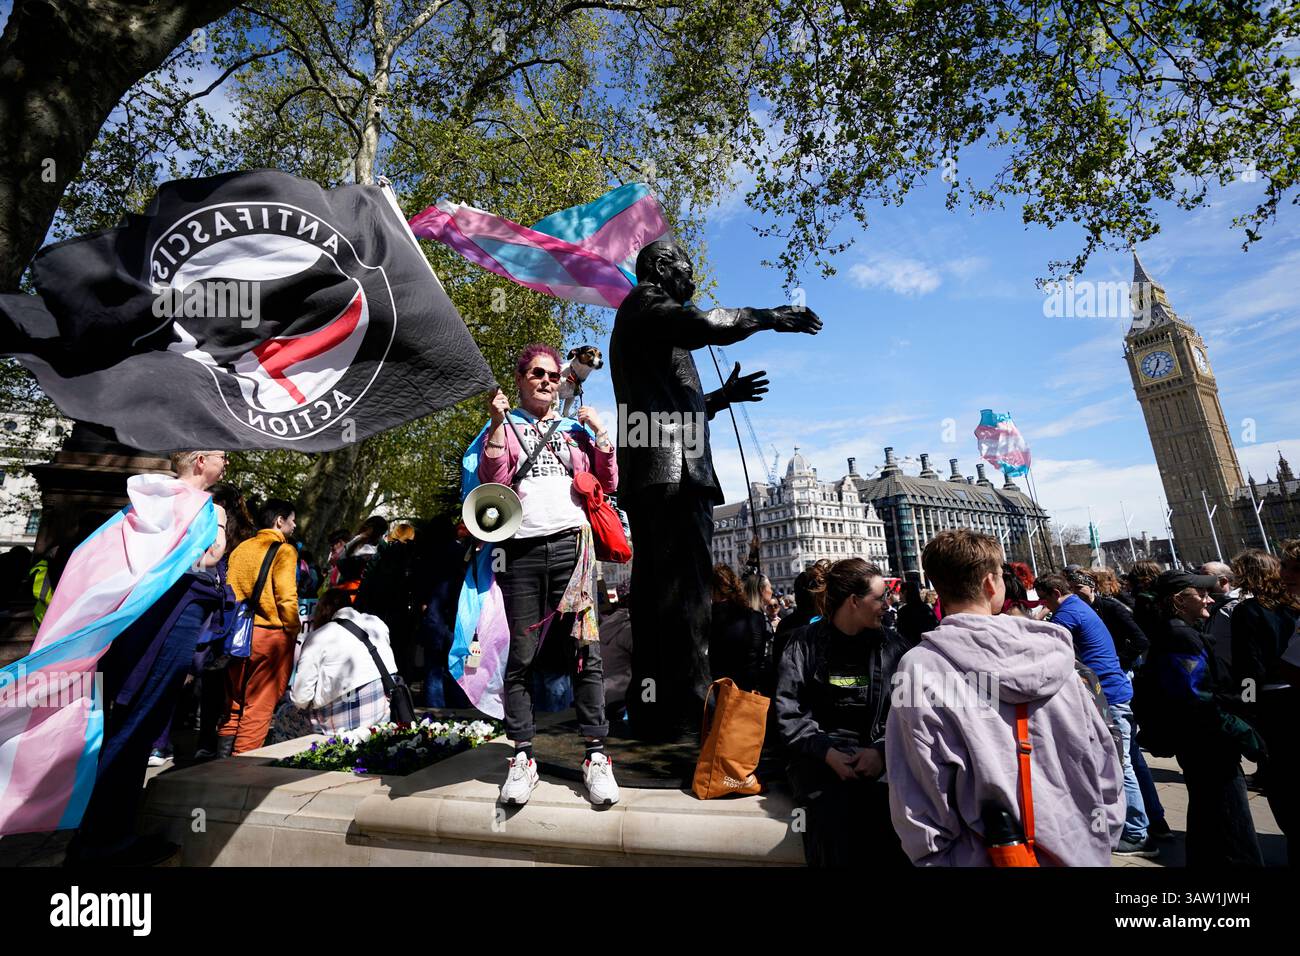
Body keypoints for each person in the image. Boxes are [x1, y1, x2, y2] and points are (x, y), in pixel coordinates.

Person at [610, 238, 821, 740]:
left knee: (661, 593)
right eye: (686, 271)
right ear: (661, 268)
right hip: (674, 475)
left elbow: (671, 406)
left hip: (658, 470)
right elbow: (710, 325)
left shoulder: (647, 323)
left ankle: (655, 709)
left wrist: (722, 396)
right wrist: (770, 316)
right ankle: (689, 712)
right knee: (685, 597)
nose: (693, 283)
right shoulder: (647, 304)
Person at [886, 530, 1124, 866]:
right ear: (990, 583)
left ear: (937, 586)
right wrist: (1103, 833)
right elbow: (1104, 755)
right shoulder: (1054, 653)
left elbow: (917, 791)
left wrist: (936, 859)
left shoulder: (920, 667)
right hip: (1081, 849)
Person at [69, 450, 230, 866]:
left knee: (130, 729)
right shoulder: (194, 505)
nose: (226, 463)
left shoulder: (151, 500)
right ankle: (102, 844)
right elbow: (198, 562)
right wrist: (216, 538)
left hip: (145, 627)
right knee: (134, 730)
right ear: (199, 460)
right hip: (165, 628)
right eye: (221, 456)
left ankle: (106, 835)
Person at [478, 342, 617, 806]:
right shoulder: (506, 427)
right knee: (520, 655)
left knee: (586, 651)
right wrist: (497, 425)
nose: (547, 381)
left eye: (554, 376)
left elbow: (607, 483)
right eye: (537, 374)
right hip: (521, 551)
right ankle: (522, 756)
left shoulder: (574, 429)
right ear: (519, 380)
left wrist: (601, 437)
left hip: (574, 549)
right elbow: (493, 481)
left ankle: (596, 755)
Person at [775, 558, 909, 867]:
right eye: (880, 598)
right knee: (834, 822)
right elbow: (788, 713)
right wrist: (826, 753)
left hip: (880, 760)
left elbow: (909, 715)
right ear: (853, 601)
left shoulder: (895, 648)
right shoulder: (802, 646)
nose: (887, 605)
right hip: (817, 762)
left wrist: (881, 751)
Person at [1140, 569, 1265, 867]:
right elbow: (1196, 698)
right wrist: (1242, 731)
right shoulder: (1179, 635)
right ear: (1179, 601)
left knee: (1209, 819)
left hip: (1201, 741)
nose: (1209, 598)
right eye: (1202, 594)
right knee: (1232, 825)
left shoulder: (1181, 630)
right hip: (1208, 744)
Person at [1036, 570, 1152, 856]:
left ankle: (1137, 833)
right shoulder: (1079, 606)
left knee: (1120, 765)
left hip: (1108, 696)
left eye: (1044, 600)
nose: (1045, 606)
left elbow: (1047, 645)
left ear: (1053, 594)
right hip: (1114, 691)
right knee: (1129, 761)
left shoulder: (1067, 614)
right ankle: (1150, 823)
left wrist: (1036, 620)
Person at [1066, 568, 1171, 840]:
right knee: (1131, 758)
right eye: (1072, 590)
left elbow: (1140, 639)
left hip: (1115, 684)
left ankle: (1144, 827)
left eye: (1080, 589)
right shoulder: (1087, 610)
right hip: (1108, 684)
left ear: (1091, 587)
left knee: (1127, 759)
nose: (1076, 595)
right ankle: (1152, 821)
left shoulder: (1109, 607)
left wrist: (1117, 663)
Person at [1229, 544, 1300, 864]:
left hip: (1271, 701)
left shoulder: (1249, 610)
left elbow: (1248, 669)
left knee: (1281, 782)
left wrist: (1246, 707)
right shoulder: (1292, 603)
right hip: (1292, 696)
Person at [217, 498, 301, 755]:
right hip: (271, 637)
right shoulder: (284, 550)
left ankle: (218, 764)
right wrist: (293, 628)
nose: (295, 525)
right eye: (292, 520)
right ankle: (240, 771)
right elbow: (286, 597)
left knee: (234, 703)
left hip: (236, 634)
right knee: (259, 707)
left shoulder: (241, 548)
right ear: (279, 521)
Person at [284, 588, 398, 736]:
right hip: (380, 716)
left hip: (339, 728)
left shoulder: (318, 637)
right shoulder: (377, 623)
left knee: (284, 715)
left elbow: (301, 698)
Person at [709, 564, 769, 693]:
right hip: (747, 690)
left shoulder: (713, 616)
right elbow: (758, 654)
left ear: (715, 590)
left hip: (720, 688)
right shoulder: (753, 615)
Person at [896, 578, 938, 648]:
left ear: (905, 592)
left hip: (913, 648)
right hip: (930, 646)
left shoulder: (903, 611)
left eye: (900, 592)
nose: (899, 596)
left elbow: (902, 635)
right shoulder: (926, 607)